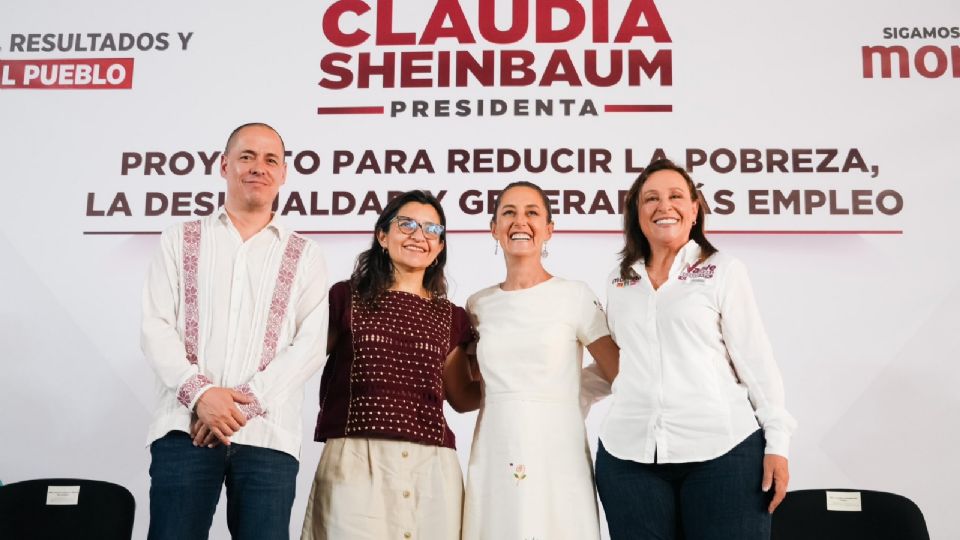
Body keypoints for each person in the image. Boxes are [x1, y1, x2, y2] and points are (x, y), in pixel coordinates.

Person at [141, 123, 329, 540]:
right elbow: (154, 326)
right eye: (246, 157)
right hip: (184, 428)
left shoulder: (305, 254)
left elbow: (311, 346)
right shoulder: (180, 239)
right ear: (224, 165)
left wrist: (238, 409)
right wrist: (201, 395)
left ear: (283, 174)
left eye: (270, 160)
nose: (257, 168)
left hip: (268, 437)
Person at [596, 158, 797, 540]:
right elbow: (621, 362)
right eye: (650, 198)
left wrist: (778, 442)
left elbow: (756, 361)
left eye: (675, 196)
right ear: (636, 214)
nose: (663, 206)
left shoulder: (723, 269)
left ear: (694, 209)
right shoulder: (619, 281)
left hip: (723, 454)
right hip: (629, 457)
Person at [301, 190, 476, 540]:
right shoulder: (344, 297)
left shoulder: (451, 316)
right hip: (356, 457)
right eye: (407, 224)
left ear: (440, 247)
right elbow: (299, 362)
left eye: (432, 230)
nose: (419, 236)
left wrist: (518, 371)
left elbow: (461, 397)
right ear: (383, 235)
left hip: (433, 465)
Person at [461, 181, 618, 540]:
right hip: (496, 442)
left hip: (557, 444)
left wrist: (568, 394)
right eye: (509, 213)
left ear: (549, 228)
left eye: (532, 213)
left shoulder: (574, 295)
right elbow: (472, 385)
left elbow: (616, 372)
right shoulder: (478, 305)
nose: (521, 222)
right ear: (494, 228)